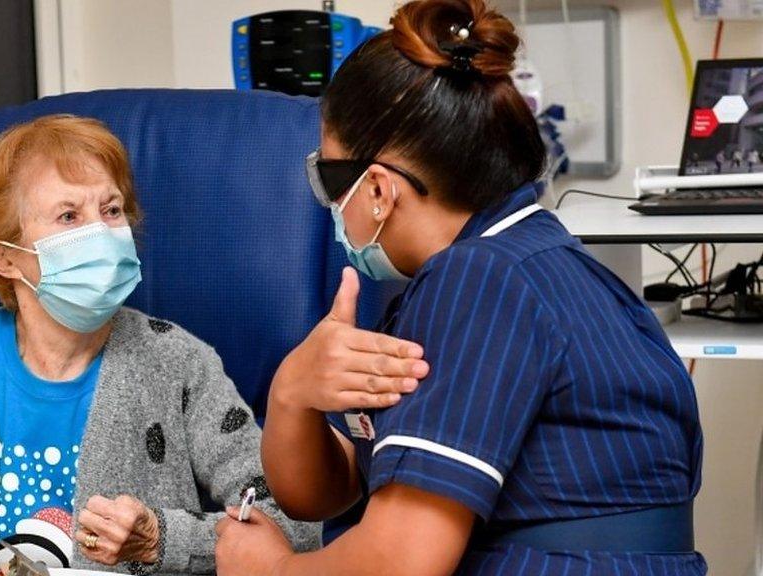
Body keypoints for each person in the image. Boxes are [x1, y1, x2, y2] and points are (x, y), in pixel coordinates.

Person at [214, 1, 706, 574]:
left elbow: (402, 561)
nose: (328, 205)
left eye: (328, 176)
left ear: (377, 189)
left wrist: (270, 570)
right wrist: (291, 391)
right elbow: (330, 488)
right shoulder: (536, 262)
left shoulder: (478, 281)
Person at [0, 114, 319, 576]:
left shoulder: (178, 362)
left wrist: (161, 540)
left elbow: (292, 525)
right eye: (69, 216)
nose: (103, 234)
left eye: (111, 210)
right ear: (4, 256)